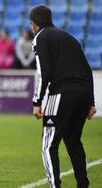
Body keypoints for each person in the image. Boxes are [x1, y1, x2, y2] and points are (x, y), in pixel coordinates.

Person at [29, 5, 97, 188]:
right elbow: (87, 69)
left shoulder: (40, 38)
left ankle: (54, 186)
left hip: (61, 93)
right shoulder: (70, 38)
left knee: (49, 144)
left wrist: (37, 101)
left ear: (33, 23)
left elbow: (44, 72)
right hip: (82, 93)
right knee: (73, 141)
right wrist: (90, 101)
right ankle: (83, 185)